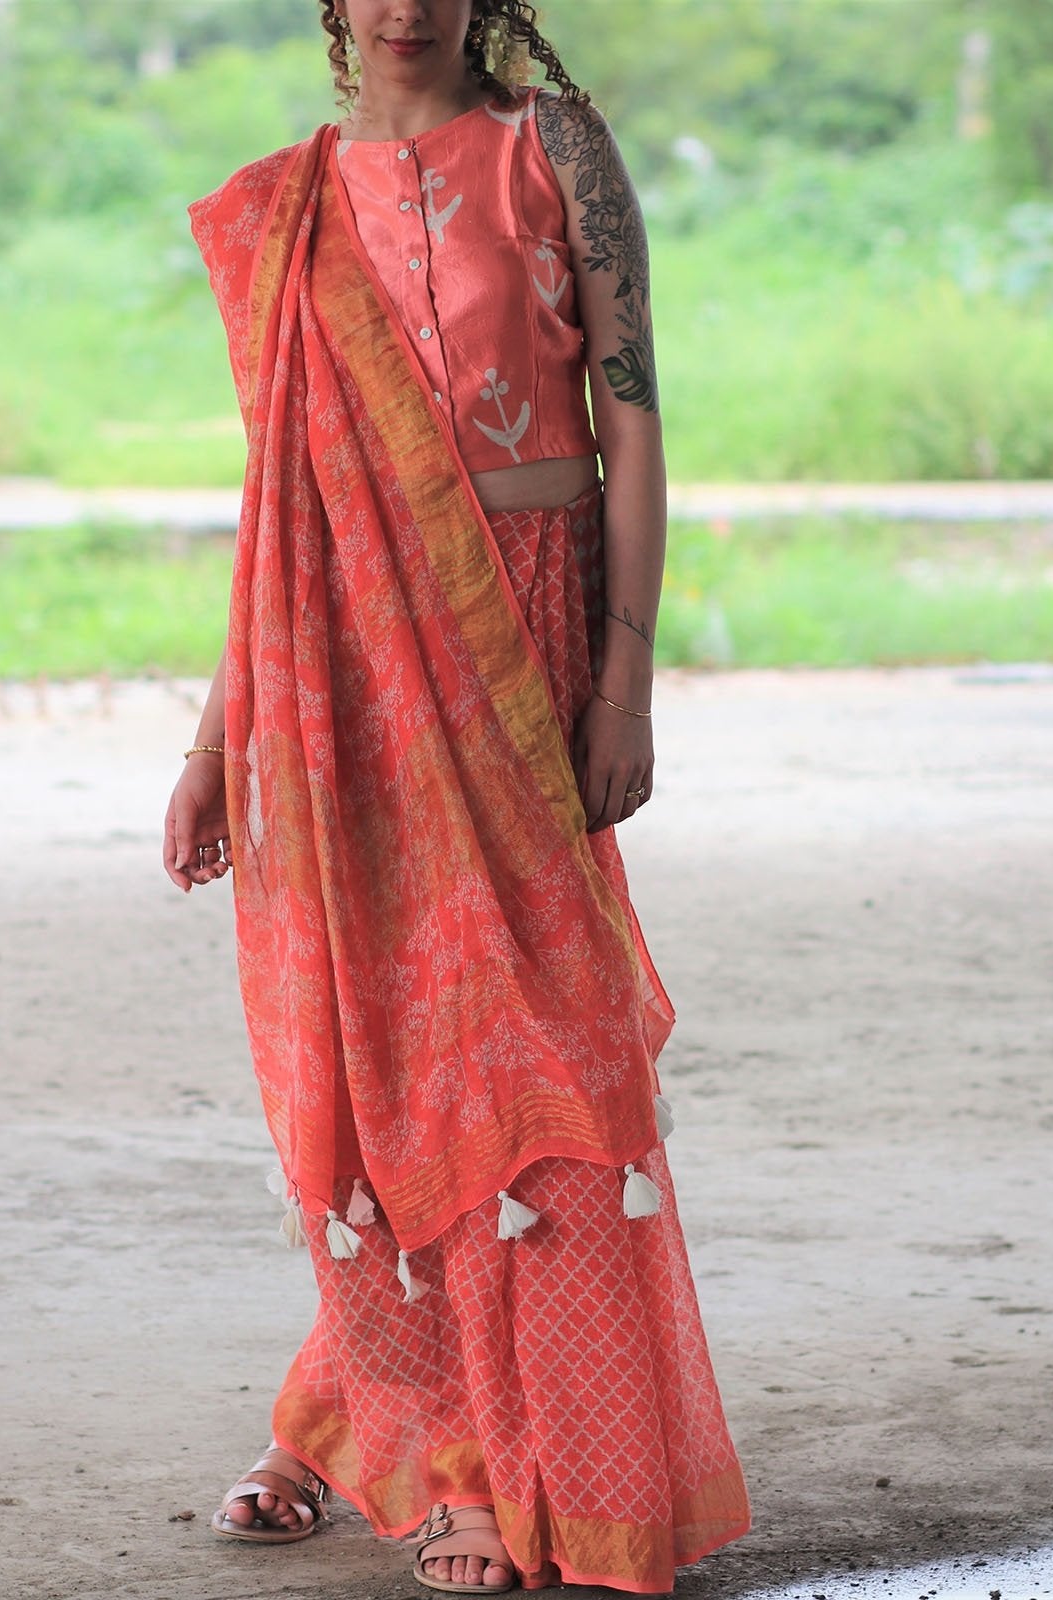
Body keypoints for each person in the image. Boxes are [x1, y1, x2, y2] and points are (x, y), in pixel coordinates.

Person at [163, 1, 751, 1592]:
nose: (405, 1)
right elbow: (283, 499)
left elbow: (630, 421)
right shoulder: (283, 202)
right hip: (339, 659)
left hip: (533, 619)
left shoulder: (551, 148)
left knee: (547, 1046)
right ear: (335, 3)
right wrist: (220, 739)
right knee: (389, 1056)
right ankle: (446, 1466)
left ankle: (342, 1420)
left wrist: (624, 682)